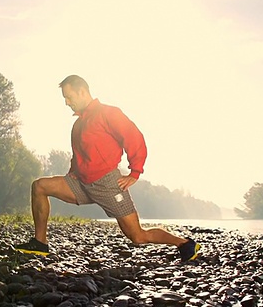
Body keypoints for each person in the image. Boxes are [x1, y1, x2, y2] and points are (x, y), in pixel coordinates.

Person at [14, 75, 200, 262]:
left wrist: (135, 172)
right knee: (39, 186)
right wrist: (72, 173)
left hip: (108, 184)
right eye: (65, 98)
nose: (67, 102)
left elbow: (134, 138)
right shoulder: (78, 125)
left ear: (82, 92)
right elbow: (78, 155)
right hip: (81, 183)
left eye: (69, 97)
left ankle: (184, 244)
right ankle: (40, 243)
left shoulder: (108, 113)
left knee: (137, 236)